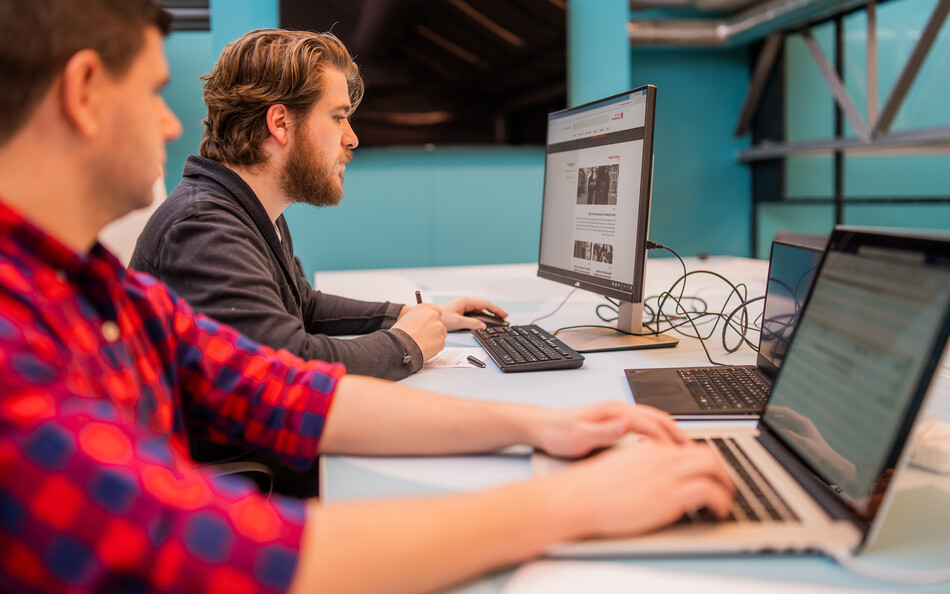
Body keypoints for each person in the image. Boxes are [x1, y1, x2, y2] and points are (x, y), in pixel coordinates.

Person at [0, 2, 734, 592]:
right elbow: (220, 554)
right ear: (85, 90)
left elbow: (283, 387)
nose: (169, 125)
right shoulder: (15, 350)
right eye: (155, 93)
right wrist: (577, 504)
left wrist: (543, 427)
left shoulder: (99, 288)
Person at [130, 29, 505, 386]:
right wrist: (405, 345)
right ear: (280, 122)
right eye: (338, 116)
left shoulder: (248, 209)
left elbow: (303, 307)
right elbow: (289, 364)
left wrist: (413, 317)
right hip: (227, 455)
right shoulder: (204, 229)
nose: (352, 138)